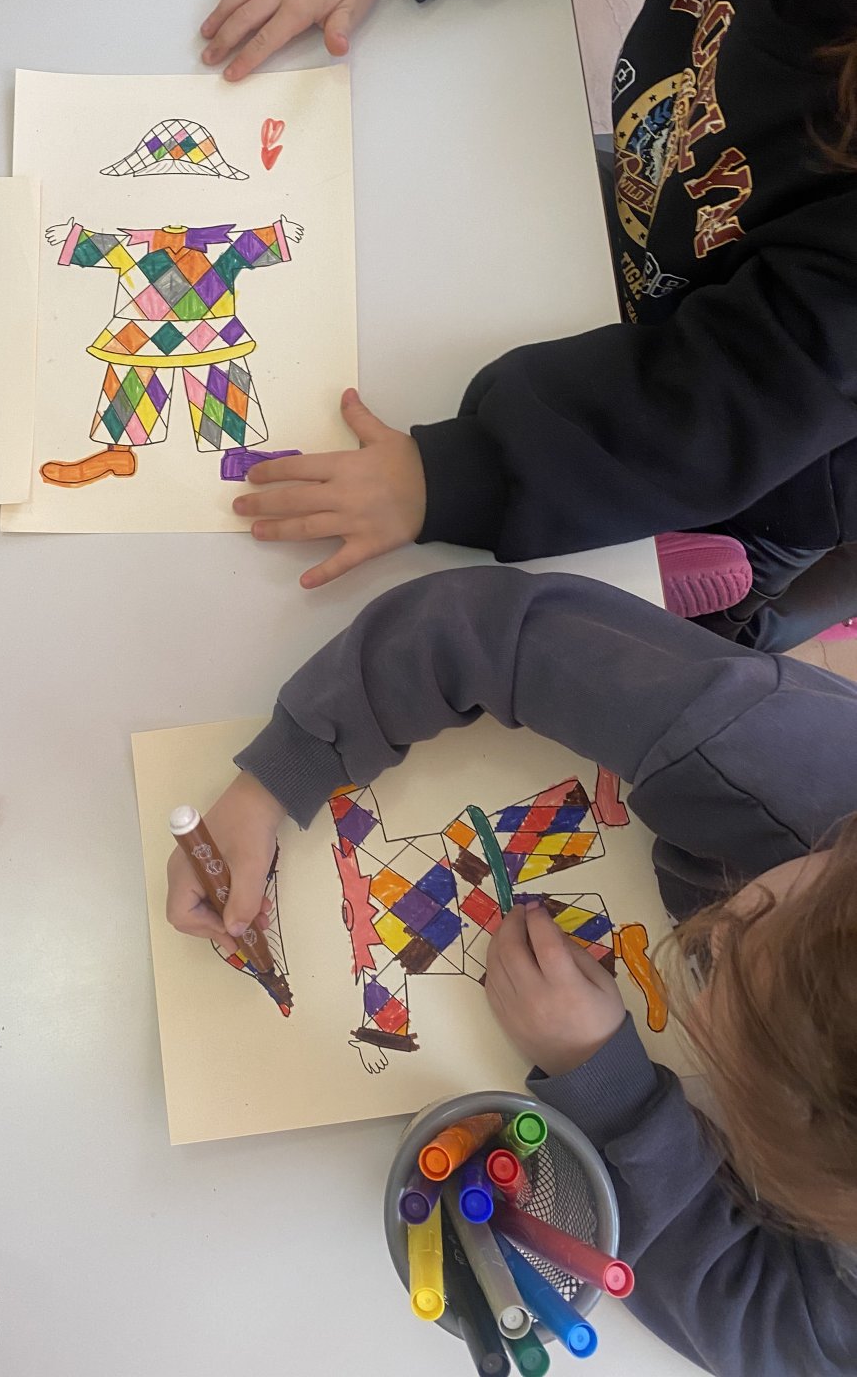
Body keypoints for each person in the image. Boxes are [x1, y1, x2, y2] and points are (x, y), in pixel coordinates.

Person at [200, 0, 857, 651]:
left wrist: (460, 476)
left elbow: (720, 411)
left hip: (765, 455)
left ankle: (738, 621)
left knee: (674, 612)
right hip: (659, 233)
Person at [165, 566, 857, 1374]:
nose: (696, 1010)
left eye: (756, 1071)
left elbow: (775, 1328)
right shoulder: (782, 751)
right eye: (742, 933)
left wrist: (610, 1087)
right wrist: (274, 781)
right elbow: (487, 636)